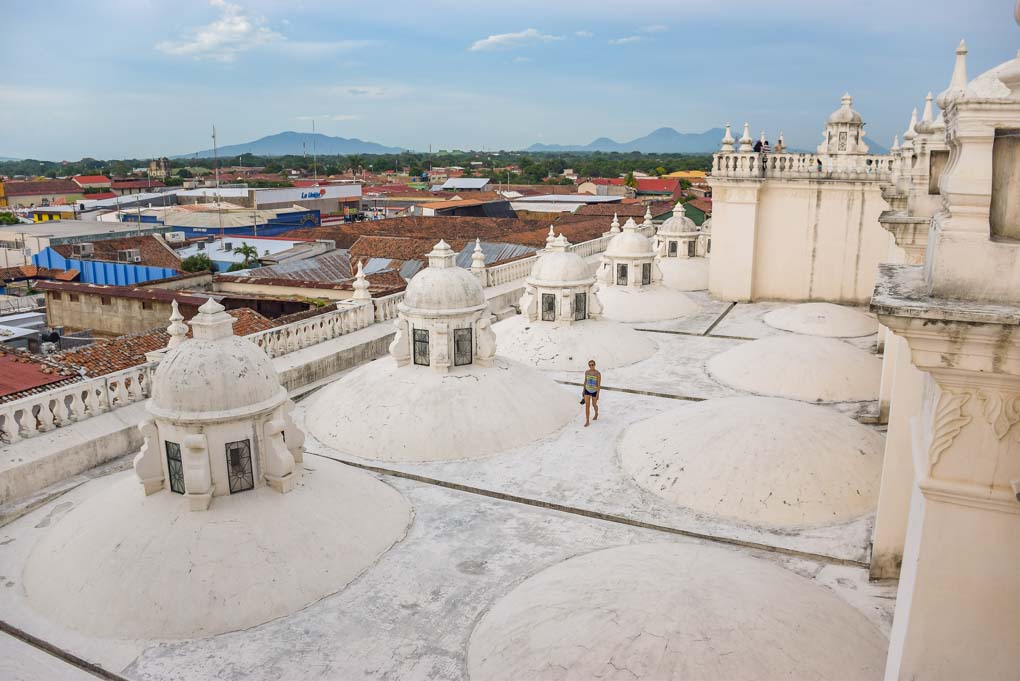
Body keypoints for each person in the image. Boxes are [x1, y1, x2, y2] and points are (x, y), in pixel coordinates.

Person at [581, 359, 601, 427]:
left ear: (594, 365)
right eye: (590, 365)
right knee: (587, 406)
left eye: (592, 365)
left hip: (594, 391)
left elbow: (598, 384)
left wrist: (598, 394)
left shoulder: (598, 373)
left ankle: (596, 413)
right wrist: (583, 390)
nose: (591, 366)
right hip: (587, 390)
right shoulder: (587, 372)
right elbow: (585, 381)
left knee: (594, 404)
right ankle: (587, 421)